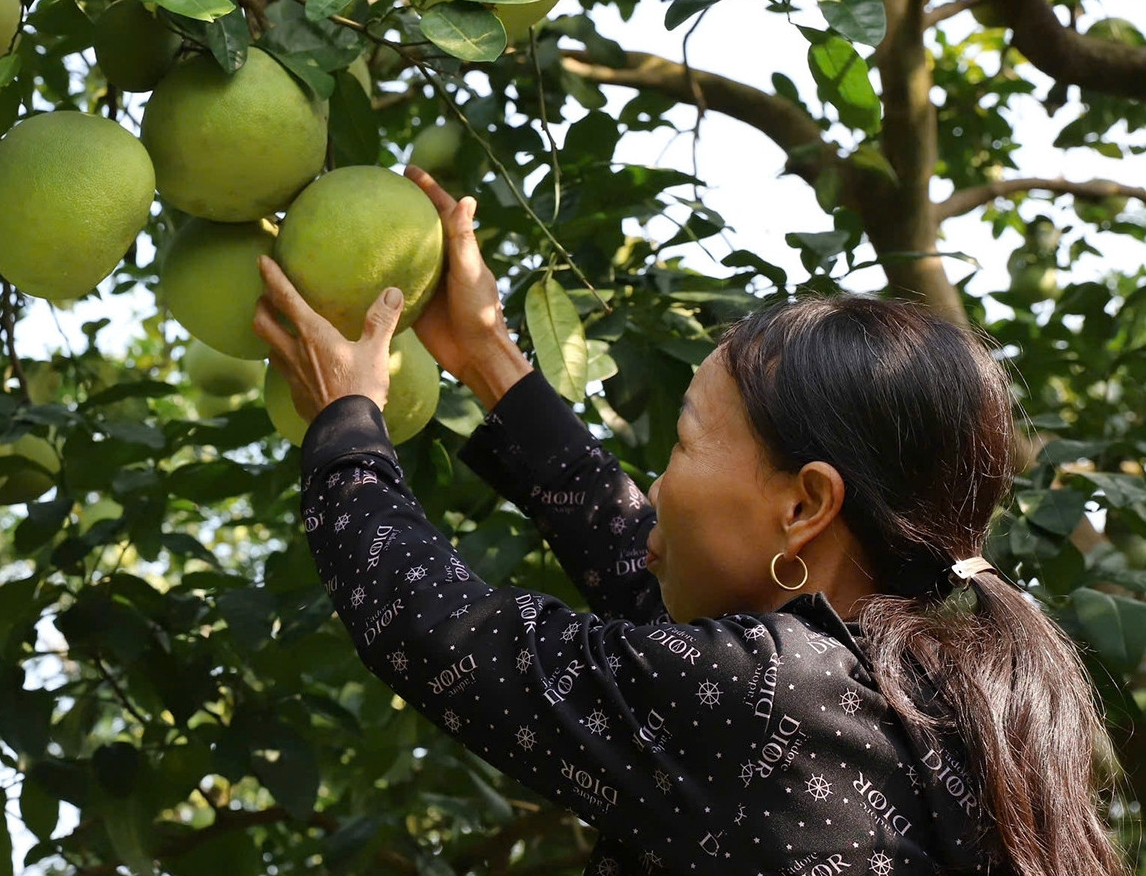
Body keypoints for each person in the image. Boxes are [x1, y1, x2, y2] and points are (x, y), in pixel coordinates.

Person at [253, 164, 1126, 876]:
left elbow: (442, 636)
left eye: (680, 443)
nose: (656, 488)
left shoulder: (769, 697)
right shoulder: (905, 697)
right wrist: (485, 355)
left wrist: (346, 421)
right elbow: (637, 563)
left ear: (802, 505)